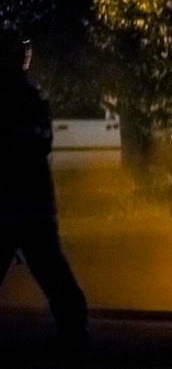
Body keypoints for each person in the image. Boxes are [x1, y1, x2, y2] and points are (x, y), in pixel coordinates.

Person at [0, 29, 90, 351]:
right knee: (50, 266)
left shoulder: (22, 97)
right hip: (30, 199)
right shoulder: (29, 95)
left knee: (50, 266)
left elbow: (34, 143)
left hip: (20, 199)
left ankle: (75, 328)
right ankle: (75, 328)